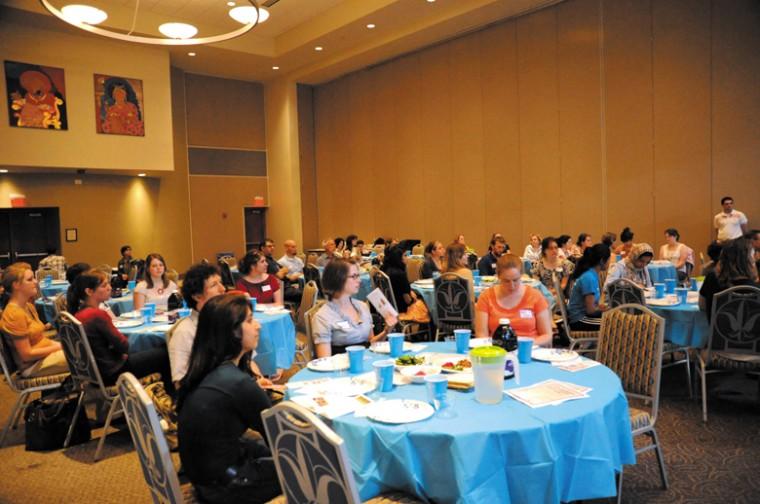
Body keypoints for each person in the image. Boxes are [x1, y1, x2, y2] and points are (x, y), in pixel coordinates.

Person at [177, 295, 281, 504]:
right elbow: (281, 439)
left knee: (261, 446)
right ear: (233, 331)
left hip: (202, 474)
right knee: (312, 466)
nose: (258, 326)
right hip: (224, 488)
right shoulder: (239, 383)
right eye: (250, 320)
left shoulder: (205, 370)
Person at [69, 269, 171, 388]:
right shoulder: (97, 314)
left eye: (108, 283)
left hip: (94, 373)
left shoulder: (78, 314)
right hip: (113, 373)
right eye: (104, 285)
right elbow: (124, 346)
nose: (109, 287)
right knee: (165, 352)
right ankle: (170, 397)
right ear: (89, 291)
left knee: (153, 353)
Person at [311, 259, 396, 357]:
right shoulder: (323, 317)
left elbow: (371, 343)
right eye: (354, 276)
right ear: (338, 279)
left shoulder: (363, 307)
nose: (359, 280)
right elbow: (325, 361)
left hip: (366, 362)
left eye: (358, 276)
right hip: (341, 369)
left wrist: (386, 331)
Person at [0, 263, 68, 377]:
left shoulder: (28, 306)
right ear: (16, 285)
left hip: (43, 358)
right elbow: (26, 355)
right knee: (87, 357)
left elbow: (41, 339)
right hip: (32, 366)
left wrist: (63, 346)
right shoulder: (14, 314)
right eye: (30, 279)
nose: (36, 282)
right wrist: (61, 347)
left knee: (85, 352)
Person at [475, 254, 552, 347]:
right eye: (506, 281)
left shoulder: (535, 296)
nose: (512, 286)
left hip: (529, 350)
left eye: (516, 280)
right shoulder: (486, 297)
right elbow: (481, 335)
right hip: (498, 351)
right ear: (498, 276)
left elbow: (547, 335)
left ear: (522, 276)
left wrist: (524, 345)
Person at [699, 237, 759, 321]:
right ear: (749, 261)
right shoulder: (756, 288)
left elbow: (702, 306)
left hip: (717, 332)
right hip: (752, 334)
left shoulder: (712, 278)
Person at [567, 244, 611, 331]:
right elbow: (590, 310)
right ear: (602, 261)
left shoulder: (591, 274)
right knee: (615, 323)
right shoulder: (589, 277)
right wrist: (605, 310)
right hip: (579, 320)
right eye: (609, 259)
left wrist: (602, 308)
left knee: (614, 318)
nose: (609, 262)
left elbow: (592, 305)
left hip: (583, 316)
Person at [380, 245, 414, 313]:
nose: (408, 258)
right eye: (405, 255)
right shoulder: (400, 274)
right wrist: (415, 299)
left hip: (389, 307)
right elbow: (408, 300)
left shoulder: (384, 269)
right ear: (398, 258)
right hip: (401, 309)